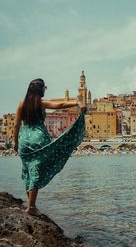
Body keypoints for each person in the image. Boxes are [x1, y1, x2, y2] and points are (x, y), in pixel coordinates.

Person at [13, 78, 86, 216]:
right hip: (38, 138)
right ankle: (31, 207)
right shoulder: (41, 103)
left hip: (24, 140)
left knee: (28, 170)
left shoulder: (21, 104)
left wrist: (15, 142)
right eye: (43, 88)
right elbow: (60, 104)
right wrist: (77, 102)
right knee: (36, 170)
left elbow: (16, 125)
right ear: (39, 90)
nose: (44, 90)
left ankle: (30, 205)